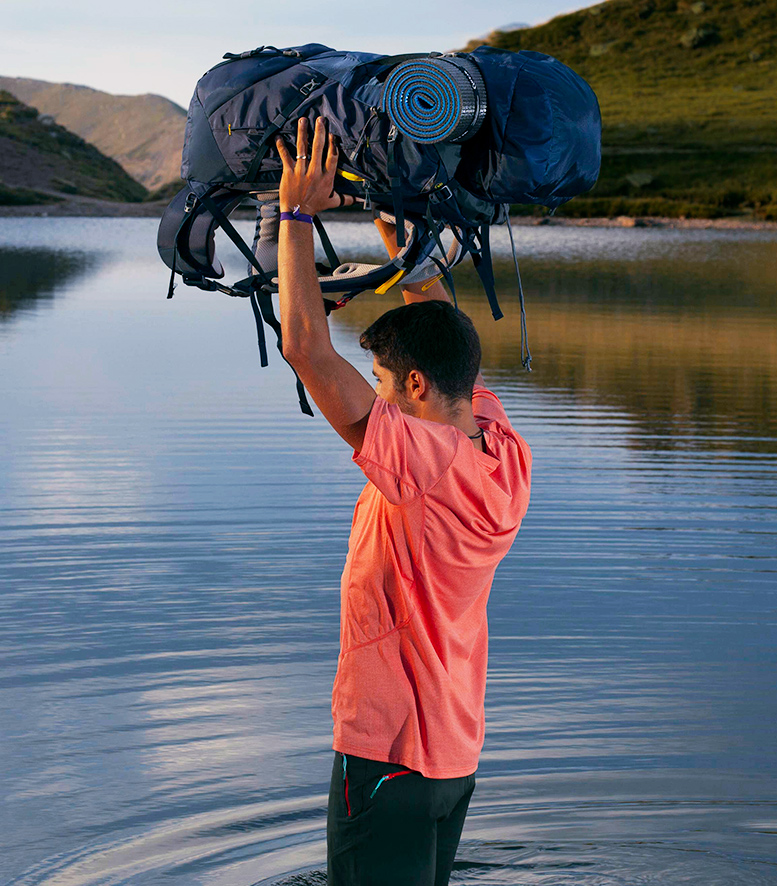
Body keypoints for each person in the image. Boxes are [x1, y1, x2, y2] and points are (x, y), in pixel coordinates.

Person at [274, 116, 532, 885]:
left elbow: (304, 350)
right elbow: (442, 320)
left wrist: (295, 216)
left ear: (415, 386)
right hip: (451, 759)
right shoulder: (501, 446)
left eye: (384, 384)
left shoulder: (418, 464)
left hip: (388, 753)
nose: (377, 397)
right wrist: (395, 220)